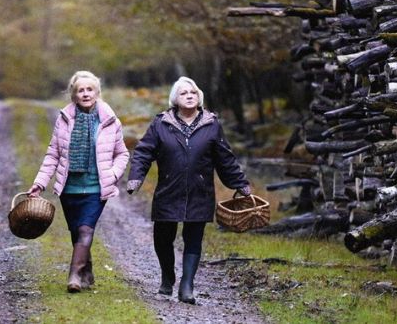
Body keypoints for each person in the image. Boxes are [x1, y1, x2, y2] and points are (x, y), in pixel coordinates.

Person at [126, 76, 251, 304]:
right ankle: (167, 276)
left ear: (199, 96)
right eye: (184, 93)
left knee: (194, 238)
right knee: (163, 237)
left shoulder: (211, 124)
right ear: (176, 98)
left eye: (193, 92)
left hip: (199, 191)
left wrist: (240, 184)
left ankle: (187, 285)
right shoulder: (161, 123)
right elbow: (144, 152)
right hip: (168, 189)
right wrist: (136, 178)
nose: (189, 96)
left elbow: (225, 158)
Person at [27, 71, 129, 293]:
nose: (85, 94)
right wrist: (40, 183)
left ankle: (73, 275)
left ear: (97, 93)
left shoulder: (110, 120)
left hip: (96, 187)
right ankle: (87, 270)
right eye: (80, 90)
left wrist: (112, 175)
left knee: (85, 229)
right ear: (73, 95)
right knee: (76, 232)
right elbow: (53, 154)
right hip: (69, 187)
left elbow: (122, 154)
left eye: (89, 89)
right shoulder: (64, 120)